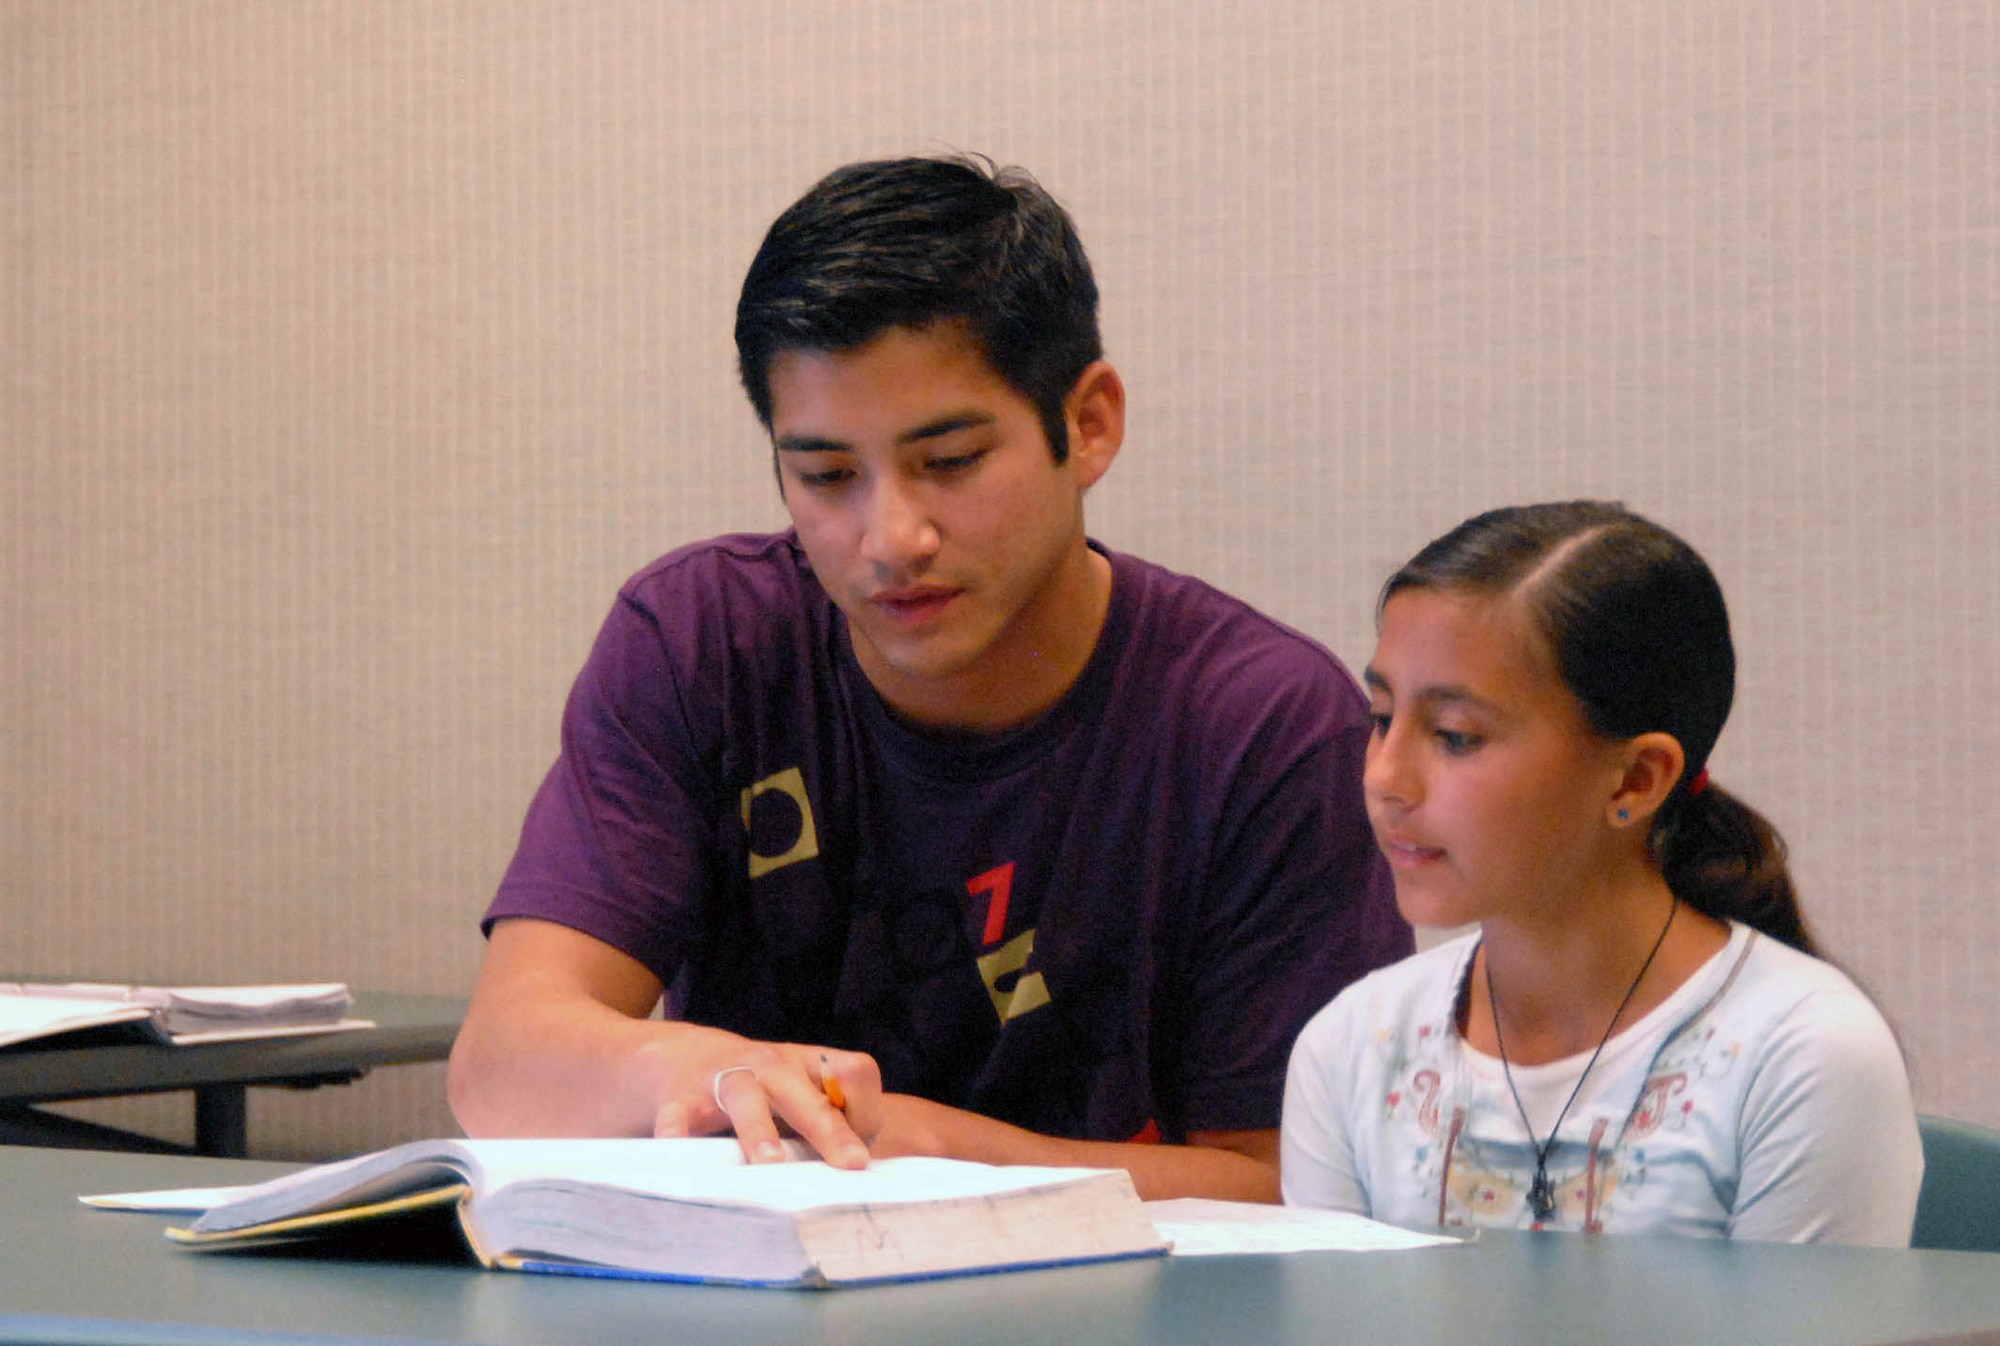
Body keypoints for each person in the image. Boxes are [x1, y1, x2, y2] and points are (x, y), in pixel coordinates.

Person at [447, 155, 1412, 1202]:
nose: (889, 538)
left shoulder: (1258, 725)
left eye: (948, 460)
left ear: (1087, 424)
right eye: (824, 476)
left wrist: (918, 1143)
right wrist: (696, 1067)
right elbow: (499, 1063)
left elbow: (1295, 1186)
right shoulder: (700, 643)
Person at [1281, 501, 1921, 1243]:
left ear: (1636, 780)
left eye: (1455, 736)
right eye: (1382, 718)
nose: (1386, 779)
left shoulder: (1804, 1057)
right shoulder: (1352, 1047)